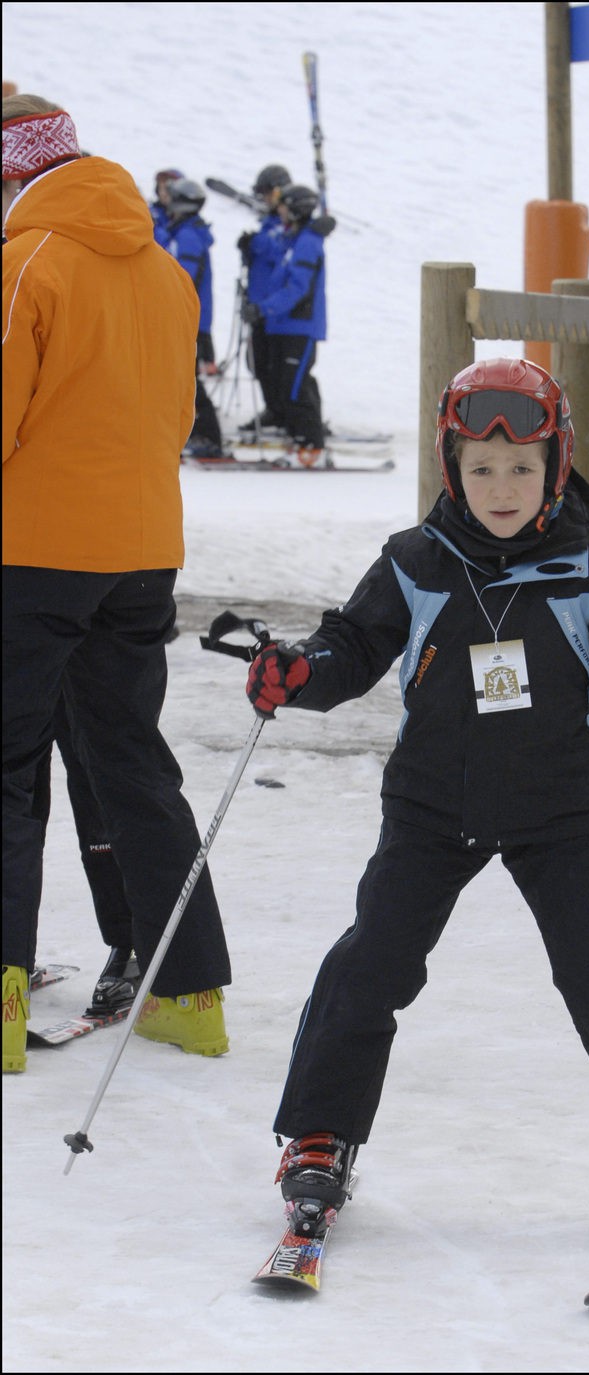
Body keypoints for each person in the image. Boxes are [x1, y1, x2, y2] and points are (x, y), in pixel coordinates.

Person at [244, 356, 589, 1247]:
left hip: (561, 811)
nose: (500, 487)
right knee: (369, 967)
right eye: (479, 468)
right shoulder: (417, 561)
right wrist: (296, 671)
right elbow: (348, 646)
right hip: (432, 807)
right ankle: (318, 1136)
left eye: (521, 468)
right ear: (450, 467)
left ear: (556, 466)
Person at [2, 93, 232, 1074]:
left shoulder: (25, 267)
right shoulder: (166, 275)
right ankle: (187, 990)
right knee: (129, 759)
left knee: (8, 769)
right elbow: (173, 418)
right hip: (141, 551)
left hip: (31, 554)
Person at [32, 698, 142, 1017]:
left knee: (96, 775)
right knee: (14, 781)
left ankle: (132, 945)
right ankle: (11, 952)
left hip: (89, 656)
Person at [243, 183, 331, 463]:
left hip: (299, 326)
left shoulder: (306, 242)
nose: (278, 211)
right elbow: (272, 267)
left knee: (294, 385)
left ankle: (311, 443)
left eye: (283, 207)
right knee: (284, 383)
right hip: (282, 325)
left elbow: (298, 287)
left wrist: (264, 308)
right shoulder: (292, 238)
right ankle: (298, 435)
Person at [160, 176, 225, 459]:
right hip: (185, 318)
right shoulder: (179, 231)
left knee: (190, 381)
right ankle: (192, 433)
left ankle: (209, 436)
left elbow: (182, 277)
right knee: (181, 379)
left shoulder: (187, 236)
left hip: (189, 320)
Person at [237, 163, 291, 431]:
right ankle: (274, 410)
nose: (264, 199)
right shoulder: (268, 222)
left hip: (276, 311)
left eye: (268, 193)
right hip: (259, 307)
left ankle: (284, 413)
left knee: (279, 368)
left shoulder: (287, 222)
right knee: (257, 362)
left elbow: (279, 250)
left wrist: (255, 244)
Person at [149, 166, 183, 246]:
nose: (163, 193)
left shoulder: (189, 219)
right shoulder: (149, 213)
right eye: (161, 188)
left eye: (168, 189)